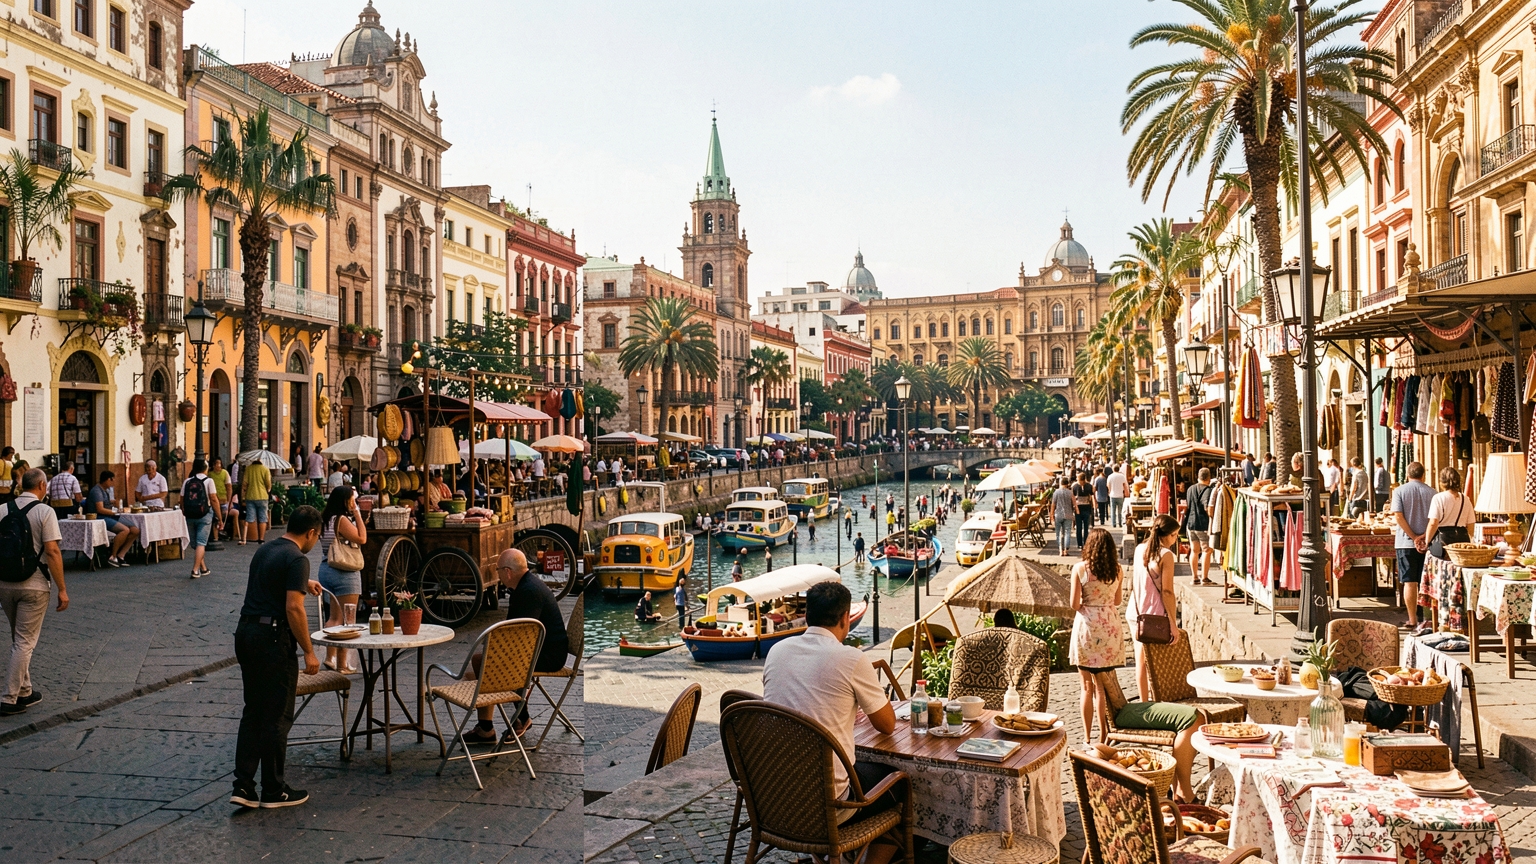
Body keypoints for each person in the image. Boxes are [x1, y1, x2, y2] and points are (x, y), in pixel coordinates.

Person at [761, 581, 900, 864]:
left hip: (775, 795)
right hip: (830, 805)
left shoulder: (776, 651)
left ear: (808, 615)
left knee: (847, 767)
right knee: (904, 785)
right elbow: (886, 725)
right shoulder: (850, 658)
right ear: (845, 618)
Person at [230, 505, 323, 809]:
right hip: (272, 639)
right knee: (278, 716)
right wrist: (308, 650)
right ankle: (274, 789)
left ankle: (243, 787)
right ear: (311, 532)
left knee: (253, 711)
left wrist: (302, 582)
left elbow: (270, 580)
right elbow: (293, 608)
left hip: (246, 633)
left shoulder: (266, 549)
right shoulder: (298, 558)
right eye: (316, 536)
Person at [464, 549, 569, 742]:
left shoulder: (527, 592)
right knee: (476, 671)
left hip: (548, 656)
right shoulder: (527, 586)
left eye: (498, 571)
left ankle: (518, 718)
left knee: (480, 662)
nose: (498, 575)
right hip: (543, 650)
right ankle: (490, 726)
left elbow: (519, 638)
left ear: (508, 572)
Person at [0, 468, 67, 716]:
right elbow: (52, 551)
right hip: (34, 584)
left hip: (5, 583)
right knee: (25, 642)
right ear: (41, 485)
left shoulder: (2, 509)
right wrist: (62, 588)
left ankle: (26, 691)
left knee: (19, 639)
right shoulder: (45, 512)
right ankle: (9, 698)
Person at [1070, 527, 1123, 742]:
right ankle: (1103, 735)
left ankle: (1086, 737)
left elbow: (1074, 604)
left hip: (1087, 628)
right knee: (1101, 688)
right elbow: (1118, 601)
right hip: (1109, 626)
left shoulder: (1080, 569)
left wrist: (1088, 602)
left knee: (1086, 687)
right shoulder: (1117, 570)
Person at [1128, 514, 1180, 703]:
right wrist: (1173, 624)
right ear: (1166, 536)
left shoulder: (1140, 549)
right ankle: (1157, 701)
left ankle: (1144, 702)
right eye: (1174, 535)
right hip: (1155, 614)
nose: (1175, 540)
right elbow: (1167, 592)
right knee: (1157, 663)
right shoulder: (1166, 555)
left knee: (1140, 660)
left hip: (1136, 612)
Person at [316, 487, 367, 673]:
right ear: (345, 501)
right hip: (345, 571)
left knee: (334, 617)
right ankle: (342, 664)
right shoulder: (342, 519)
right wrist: (358, 513)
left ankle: (330, 657)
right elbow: (362, 538)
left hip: (326, 568)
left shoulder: (325, 519)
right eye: (351, 499)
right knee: (348, 620)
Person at [1420, 466, 1475, 635]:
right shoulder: (1466, 499)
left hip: (1442, 545)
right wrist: (1466, 541)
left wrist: (1427, 541)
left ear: (1442, 481)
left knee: (1442, 581)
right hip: (1461, 544)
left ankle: (1442, 619)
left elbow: (1433, 523)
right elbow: (1470, 526)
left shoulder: (1439, 498)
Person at [1391, 462, 1435, 633]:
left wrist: (1413, 537)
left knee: (1410, 582)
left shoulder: (1399, 491)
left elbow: (1398, 516)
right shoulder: (1433, 493)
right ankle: (1429, 618)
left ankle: (1412, 619)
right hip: (1428, 542)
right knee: (1427, 582)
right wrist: (1424, 536)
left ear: (1407, 475)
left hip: (1405, 542)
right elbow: (1436, 519)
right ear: (1423, 475)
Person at [86, 471, 139, 567]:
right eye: (112, 480)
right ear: (107, 479)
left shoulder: (105, 490)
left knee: (135, 530)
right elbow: (100, 509)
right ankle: (113, 556)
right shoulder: (96, 491)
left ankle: (121, 555)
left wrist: (114, 504)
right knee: (125, 530)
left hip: (110, 515)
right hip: (100, 517)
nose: (113, 482)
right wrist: (115, 512)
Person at [181, 459, 220, 579]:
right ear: (205, 468)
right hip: (205, 515)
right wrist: (219, 516)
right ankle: (195, 569)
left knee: (196, 544)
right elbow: (213, 498)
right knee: (201, 543)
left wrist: (184, 511)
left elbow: (182, 498)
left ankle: (203, 568)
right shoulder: (209, 481)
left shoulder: (187, 481)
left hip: (190, 515)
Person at [1184, 467, 1214, 586]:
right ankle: (1205, 578)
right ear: (1209, 478)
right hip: (1203, 524)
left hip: (1191, 523)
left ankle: (1194, 577)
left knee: (1194, 551)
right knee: (1207, 550)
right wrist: (1211, 517)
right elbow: (1207, 507)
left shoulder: (1190, 489)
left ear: (1198, 476)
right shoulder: (1208, 490)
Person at [241, 457, 272, 546]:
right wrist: (268, 490)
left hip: (250, 496)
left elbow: (244, 484)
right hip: (262, 496)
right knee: (262, 518)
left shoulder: (248, 469)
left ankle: (244, 538)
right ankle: (261, 539)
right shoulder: (265, 469)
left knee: (249, 517)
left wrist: (243, 496)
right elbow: (268, 484)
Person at [208, 457, 233, 542]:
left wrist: (229, 500)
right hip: (215, 499)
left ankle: (221, 532)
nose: (218, 465)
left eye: (219, 463)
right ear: (213, 465)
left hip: (223, 499)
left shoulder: (225, 473)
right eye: (216, 463)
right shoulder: (210, 474)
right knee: (215, 518)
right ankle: (216, 537)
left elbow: (229, 487)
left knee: (223, 515)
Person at [1052, 476, 1075, 554]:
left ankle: (1060, 550)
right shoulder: (1070, 492)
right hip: (1068, 514)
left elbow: (1053, 505)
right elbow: (1074, 503)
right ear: (1067, 483)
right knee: (1067, 532)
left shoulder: (1056, 492)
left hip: (1058, 514)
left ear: (1060, 483)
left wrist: (1051, 515)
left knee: (1058, 532)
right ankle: (1066, 550)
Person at [1072, 472, 1095, 549]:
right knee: (1084, 527)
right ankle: (1084, 543)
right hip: (1085, 508)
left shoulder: (1075, 486)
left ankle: (1080, 544)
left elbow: (1073, 498)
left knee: (1081, 527)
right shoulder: (1089, 486)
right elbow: (1092, 495)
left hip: (1079, 508)